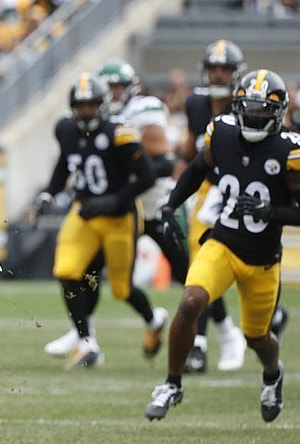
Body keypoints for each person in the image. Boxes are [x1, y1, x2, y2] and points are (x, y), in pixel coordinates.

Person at [145, 68, 299, 422]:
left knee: (257, 338)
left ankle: (273, 376)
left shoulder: (290, 151)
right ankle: (172, 384)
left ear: (277, 113)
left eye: (262, 109)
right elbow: (198, 168)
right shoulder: (222, 132)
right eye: (249, 107)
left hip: (262, 259)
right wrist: (170, 206)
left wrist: (272, 211)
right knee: (190, 302)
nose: (254, 115)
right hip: (222, 243)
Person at [44, 59, 186, 359]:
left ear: (103, 104)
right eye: (80, 106)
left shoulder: (121, 132)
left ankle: (153, 318)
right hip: (85, 212)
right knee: (66, 269)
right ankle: (86, 341)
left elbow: (147, 175)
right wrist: (49, 193)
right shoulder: (66, 130)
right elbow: (63, 165)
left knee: (121, 289)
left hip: (120, 216)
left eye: (91, 105)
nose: (85, 111)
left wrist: (113, 200)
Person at [180, 39, 287, 373]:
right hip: (210, 190)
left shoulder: (251, 105)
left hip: (246, 195)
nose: (217, 74)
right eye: (213, 68)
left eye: (224, 69)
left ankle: (245, 326)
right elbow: (190, 151)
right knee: (201, 263)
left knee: (241, 260)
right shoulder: (196, 105)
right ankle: (212, 338)